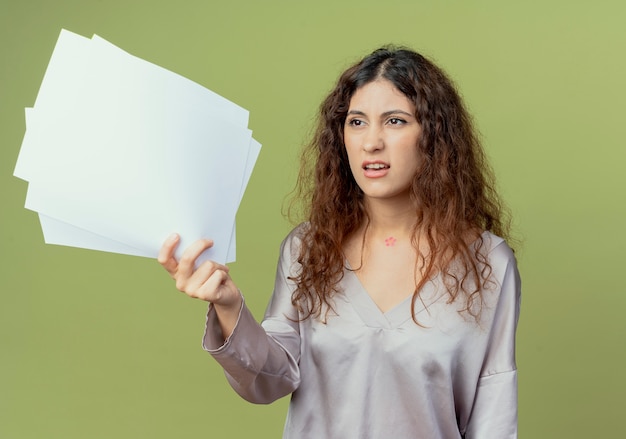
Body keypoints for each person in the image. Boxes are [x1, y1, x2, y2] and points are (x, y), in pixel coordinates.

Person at [158, 46, 521, 439]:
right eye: (357, 122)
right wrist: (228, 304)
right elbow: (270, 379)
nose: (371, 142)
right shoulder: (307, 247)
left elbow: (494, 415)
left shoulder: (487, 263)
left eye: (395, 121)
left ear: (434, 136)